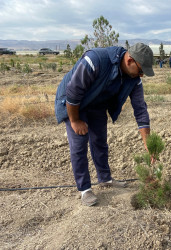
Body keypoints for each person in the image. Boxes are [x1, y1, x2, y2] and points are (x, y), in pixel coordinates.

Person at [55, 43, 155, 206]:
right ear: (130, 60)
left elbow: (141, 111)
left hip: (97, 103)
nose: (142, 75)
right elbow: (73, 91)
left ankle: (105, 179)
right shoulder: (95, 60)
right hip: (72, 103)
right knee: (79, 145)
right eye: (141, 70)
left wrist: (148, 145)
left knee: (100, 141)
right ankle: (85, 190)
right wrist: (75, 120)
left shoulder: (134, 79)